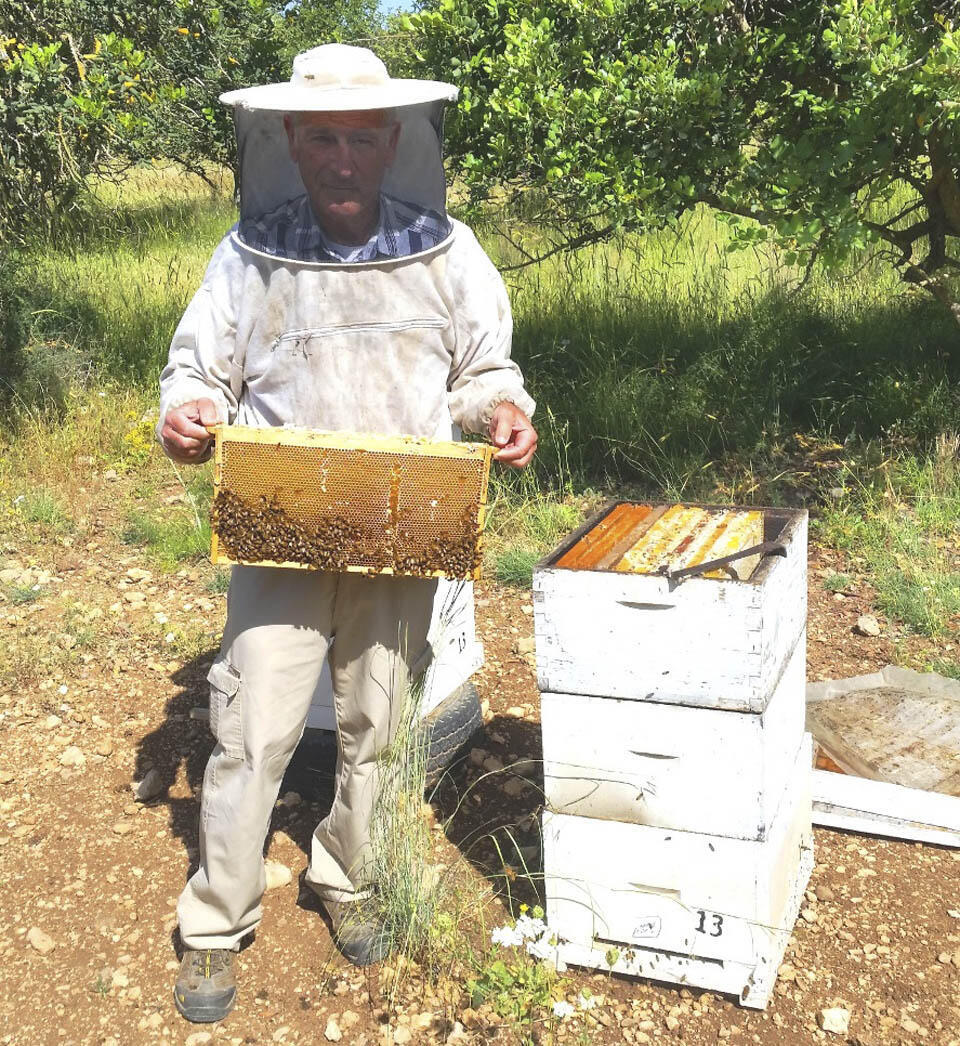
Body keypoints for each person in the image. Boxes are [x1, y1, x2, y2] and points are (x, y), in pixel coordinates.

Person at [156, 44, 537, 1024]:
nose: (339, 158)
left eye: (359, 139)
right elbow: (200, 370)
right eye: (320, 137)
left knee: (380, 725)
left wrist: (502, 412)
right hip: (280, 523)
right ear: (288, 139)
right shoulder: (248, 253)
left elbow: (484, 366)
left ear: (393, 142)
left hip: (405, 523)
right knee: (250, 732)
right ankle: (215, 922)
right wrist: (190, 416)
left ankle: (351, 878)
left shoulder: (448, 250)